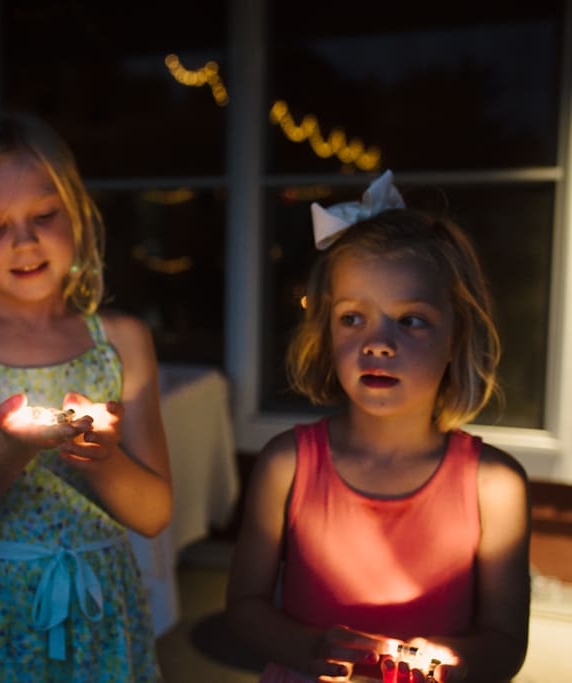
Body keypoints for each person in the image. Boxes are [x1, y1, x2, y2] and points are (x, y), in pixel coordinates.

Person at [0, 112, 172, 682]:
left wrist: (104, 457)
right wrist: (11, 450)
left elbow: (154, 513)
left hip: (99, 611)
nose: (24, 242)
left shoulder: (120, 341)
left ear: (77, 214)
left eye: (44, 216)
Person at [225, 171, 531, 683]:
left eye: (409, 319)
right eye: (353, 318)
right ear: (325, 329)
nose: (378, 343)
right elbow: (245, 608)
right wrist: (309, 648)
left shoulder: (495, 486)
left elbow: (505, 644)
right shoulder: (287, 464)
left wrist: (445, 664)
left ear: (456, 334)